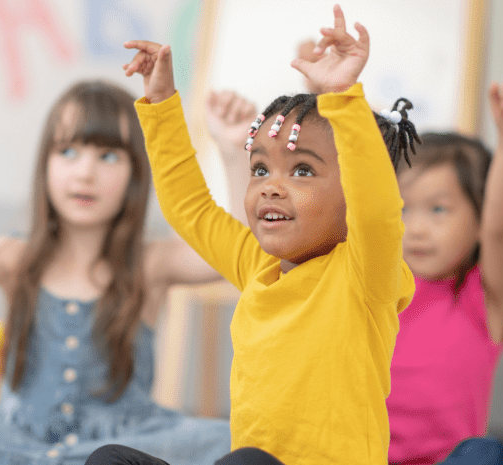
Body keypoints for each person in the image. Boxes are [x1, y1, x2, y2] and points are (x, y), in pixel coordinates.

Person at [94, 5, 419, 464]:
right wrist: (164, 103)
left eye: (302, 169)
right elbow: (189, 208)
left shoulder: (365, 277)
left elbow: (377, 211)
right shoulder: (257, 266)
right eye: (260, 168)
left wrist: (344, 95)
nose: (269, 184)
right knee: (113, 460)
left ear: (353, 199)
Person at [0, 80, 235, 465]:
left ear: (136, 173)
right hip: (17, 445)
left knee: (227, 439)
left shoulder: (150, 263)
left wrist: (233, 155)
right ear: (44, 164)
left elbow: (237, 252)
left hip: (121, 445)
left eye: (109, 157)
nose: (85, 173)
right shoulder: (14, 258)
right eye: (68, 151)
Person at [387, 79, 503, 465]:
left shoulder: (484, 298)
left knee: (485, 454)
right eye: (403, 209)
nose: (416, 228)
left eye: (438, 209)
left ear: (477, 221)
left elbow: (500, 228)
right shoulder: (377, 288)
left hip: (450, 461)